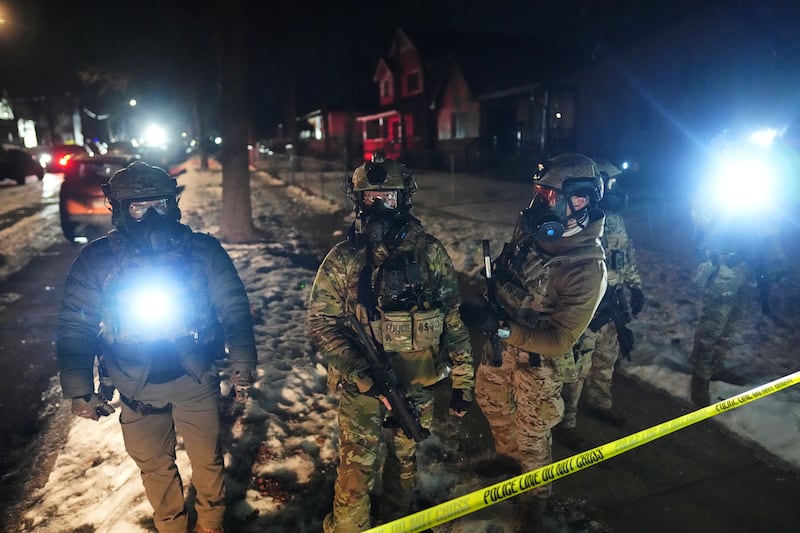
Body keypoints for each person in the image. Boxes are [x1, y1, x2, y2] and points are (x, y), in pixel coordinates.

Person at [57, 161, 257, 533]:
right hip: (135, 386)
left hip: (195, 380)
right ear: (119, 209)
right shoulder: (99, 261)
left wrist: (243, 364)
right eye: (138, 207)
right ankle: (171, 526)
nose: (150, 216)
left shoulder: (202, 252)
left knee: (207, 463)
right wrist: (79, 389)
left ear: (173, 204)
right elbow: (75, 324)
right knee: (154, 468)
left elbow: (234, 308)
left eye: (159, 205)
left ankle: (211, 524)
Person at [307, 157, 474, 532]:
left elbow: (452, 321)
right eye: (371, 198)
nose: (380, 206)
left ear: (404, 201)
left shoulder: (430, 254)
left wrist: (464, 383)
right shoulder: (344, 259)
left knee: (404, 464)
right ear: (359, 203)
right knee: (355, 474)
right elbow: (322, 324)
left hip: (417, 386)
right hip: (363, 388)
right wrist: (362, 374)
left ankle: (397, 523)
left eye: (389, 197)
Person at [473, 153, 607, 529]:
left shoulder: (586, 266)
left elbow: (562, 339)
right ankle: (506, 457)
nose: (539, 205)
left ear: (579, 201)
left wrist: (501, 328)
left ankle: (536, 497)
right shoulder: (533, 230)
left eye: (550, 197)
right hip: (502, 340)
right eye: (539, 194)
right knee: (491, 400)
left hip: (539, 358)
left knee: (533, 430)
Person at [689, 131, 787, 407]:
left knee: (731, 322)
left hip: (747, 264)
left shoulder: (754, 184)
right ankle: (700, 377)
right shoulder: (711, 185)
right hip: (723, 265)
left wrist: (777, 261)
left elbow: (770, 226)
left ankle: (716, 366)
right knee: (713, 322)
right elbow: (701, 217)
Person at [554, 160, 644, 449]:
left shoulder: (616, 220)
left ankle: (600, 403)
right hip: (589, 305)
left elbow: (625, 255)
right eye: (612, 184)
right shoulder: (581, 222)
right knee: (578, 366)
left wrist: (635, 286)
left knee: (607, 357)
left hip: (613, 301)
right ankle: (566, 422)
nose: (617, 191)